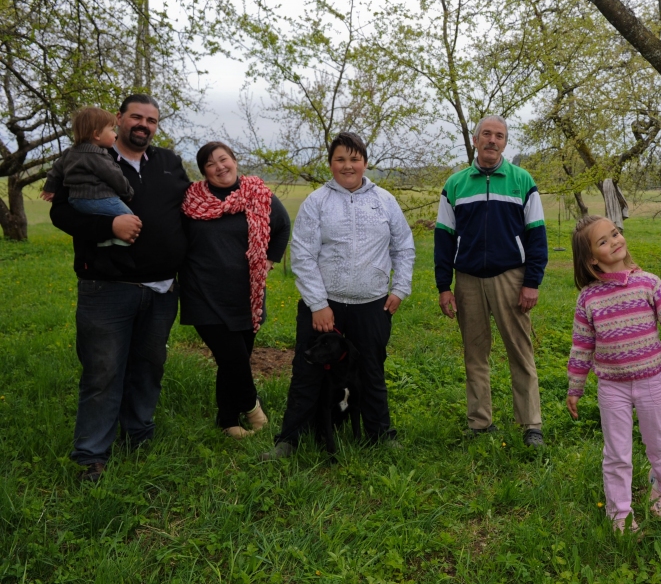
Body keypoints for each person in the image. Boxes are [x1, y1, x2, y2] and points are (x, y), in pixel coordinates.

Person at [49, 94, 190, 481]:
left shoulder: (168, 163)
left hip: (161, 290)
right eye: (136, 117)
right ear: (119, 119)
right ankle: (91, 454)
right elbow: (60, 211)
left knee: (149, 365)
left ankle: (138, 433)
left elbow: (193, 206)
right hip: (107, 287)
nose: (144, 125)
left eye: (152, 120)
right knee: (103, 370)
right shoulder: (90, 156)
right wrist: (108, 227)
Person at [565, 216, 661, 533]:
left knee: (659, 444)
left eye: (615, 233)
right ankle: (619, 513)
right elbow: (582, 348)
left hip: (652, 382)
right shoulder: (588, 299)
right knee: (616, 453)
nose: (615, 241)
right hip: (612, 388)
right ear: (590, 259)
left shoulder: (649, 284)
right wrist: (575, 388)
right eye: (603, 241)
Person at [261, 132, 414, 459]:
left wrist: (400, 288)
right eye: (340, 159)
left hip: (371, 307)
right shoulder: (317, 202)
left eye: (354, 158)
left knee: (371, 370)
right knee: (307, 372)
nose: (348, 165)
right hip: (323, 310)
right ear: (330, 164)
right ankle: (289, 439)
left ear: (365, 162)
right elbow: (302, 255)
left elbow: (403, 247)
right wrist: (318, 305)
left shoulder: (384, 201)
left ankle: (380, 434)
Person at [434, 115, 549, 447]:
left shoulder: (522, 181)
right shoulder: (455, 184)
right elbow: (443, 239)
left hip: (511, 278)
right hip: (467, 279)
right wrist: (444, 286)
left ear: (505, 142)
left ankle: (531, 425)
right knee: (475, 353)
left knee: (520, 351)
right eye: (487, 134)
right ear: (475, 139)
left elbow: (537, 238)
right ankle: (480, 422)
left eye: (499, 136)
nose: (492, 140)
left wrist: (532, 282)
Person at [179, 142, 291, 439]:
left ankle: (227, 421)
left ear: (234, 160)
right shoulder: (191, 201)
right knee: (234, 359)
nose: (220, 167)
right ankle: (255, 412)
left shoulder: (258, 194)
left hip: (246, 296)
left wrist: (269, 259)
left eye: (223, 159)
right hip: (202, 294)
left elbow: (282, 226)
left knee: (232, 362)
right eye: (211, 164)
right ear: (204, 171)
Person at [41, 107, 134, 247]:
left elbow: (55, 171)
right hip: (99, 199)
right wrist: (128, 193)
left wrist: (50, 189)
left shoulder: (69, 153)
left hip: (75, 201)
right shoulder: (98, 156)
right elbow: (115, 177)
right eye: (111, 130)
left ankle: (105, 239)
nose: (115, 135)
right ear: (96, 135)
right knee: (130, 219)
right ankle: (113, 241)